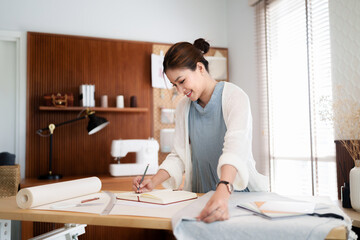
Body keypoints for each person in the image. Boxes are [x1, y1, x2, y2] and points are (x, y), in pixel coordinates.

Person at [133, 38, 268, 223]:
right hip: (200, 194)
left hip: (237, 196)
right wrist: (153, 181)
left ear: (200, 68)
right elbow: (178, 155)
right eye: (175, 85)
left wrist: (223, 190)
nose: (180, 90)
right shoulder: (183, 108)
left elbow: (236, 148)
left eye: (182, 81)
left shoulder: (234, 97)